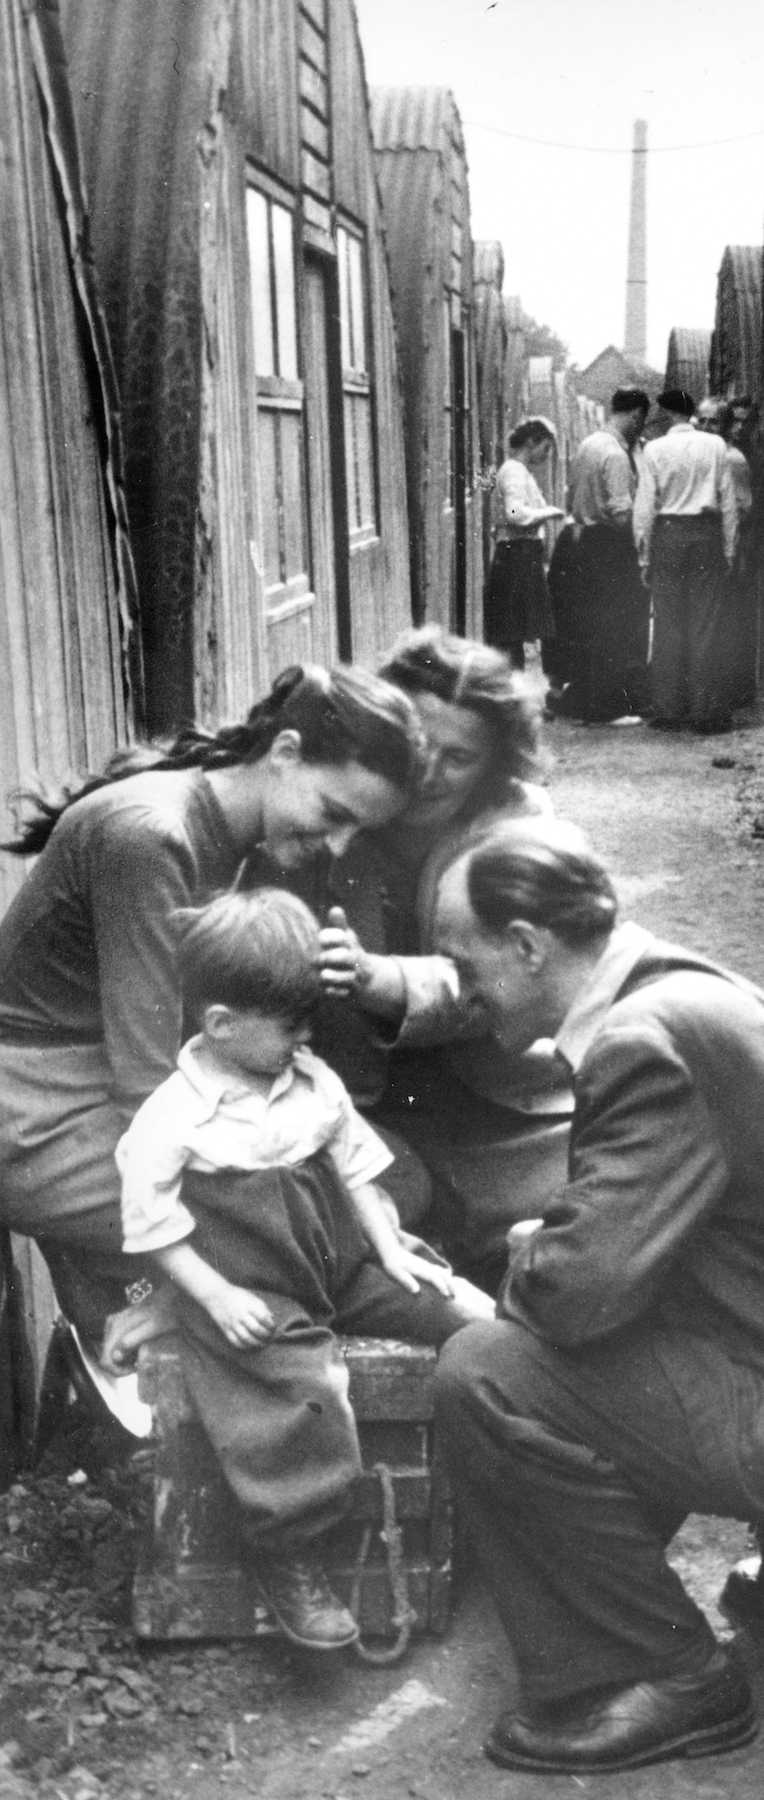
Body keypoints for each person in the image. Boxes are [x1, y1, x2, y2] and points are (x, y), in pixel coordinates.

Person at [430, 818, 764, 1775]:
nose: (466, 995)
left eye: (469, 967)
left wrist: (535, 1244)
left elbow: (574, 1301)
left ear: (529, 946)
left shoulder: (637, 1042)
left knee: (486, 1372)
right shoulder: (688, 981)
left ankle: (672, 1673)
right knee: (640, 1294)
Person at [0, 665, 426, 1352]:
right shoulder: (151, 837)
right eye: (334, 813)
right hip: (33, 1112)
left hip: (102, 1088)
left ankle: (184, 1312)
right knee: (304, 1208)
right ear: (284, 754)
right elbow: (145, 1083)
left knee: (377, 1176)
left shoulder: (227, 830)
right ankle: (168, 1323)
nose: (339, 843)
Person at [115, 889, 490, 1649]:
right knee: (308, 1393)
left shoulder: (311, 1081)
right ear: (220, 1025)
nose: (306, 1036)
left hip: (338, 1263)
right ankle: (286, 1547)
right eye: (291, 1026)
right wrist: (215, 1296)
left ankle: (501, 1479)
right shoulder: (175, 1117)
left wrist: (390, 1252)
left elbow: (356, 1172)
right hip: (254, 1287)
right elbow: (153, 1223)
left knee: (462, 1312)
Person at [298, 627, 571, 1289]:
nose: (428, 772)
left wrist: (381, 979)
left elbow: (503, 976)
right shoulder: (346, 802)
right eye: (419, 742)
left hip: (494, 1095)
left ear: (496, 764)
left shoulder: (519, 828)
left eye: (460, 757)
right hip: (357, 1091)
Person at [633, 388, 739, 732]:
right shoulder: (716, 446)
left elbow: (645, 506)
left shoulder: (654, 449)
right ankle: (706, 712)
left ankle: (668, 709)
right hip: (706, 536)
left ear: (666, 415)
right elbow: (728, 502)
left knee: (667, 622)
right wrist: (728, 549)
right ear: (692, 413)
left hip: (668, 537)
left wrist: (644, 555)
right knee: (705, 623)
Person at [551, 388, 651, 721]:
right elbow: (622, 514)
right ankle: (607, 708)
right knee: (614, 627)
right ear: (636, 415)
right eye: (642, 419)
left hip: (580, 542)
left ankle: (581, 698)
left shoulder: (588, 445)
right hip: (610, 545)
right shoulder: (617, 455)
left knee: (586, 626)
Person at [485, 419, 565, 670]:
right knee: (511, 635)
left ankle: (512, 692)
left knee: (513, 634)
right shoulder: (514, 471)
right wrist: (548, 513)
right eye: (546, 447)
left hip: (518, 554)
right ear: (531, 442)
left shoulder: (516, 470)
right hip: (516, 555)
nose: (547, 455)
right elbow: (513, 513)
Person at [698, 397, 757, 715]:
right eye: (702, 421)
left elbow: (743, 509)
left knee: (725, 623)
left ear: (725, 427)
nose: (707, 428)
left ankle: (728, 696)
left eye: (714, 422)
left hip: (729, 549)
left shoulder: (732, 460)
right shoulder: (706, 456)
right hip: (710, 550)